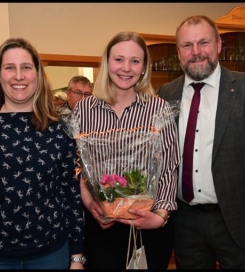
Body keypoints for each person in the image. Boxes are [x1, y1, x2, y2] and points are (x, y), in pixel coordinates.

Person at [157, 15, 245, 269]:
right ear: (178, 52)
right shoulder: (166, 94)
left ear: (219, 45)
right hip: (185, 222)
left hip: (239, 220)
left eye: (204, 43)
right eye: (187, 45)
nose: (196, 52)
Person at [0, 37, 85, 269]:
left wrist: (77, 257)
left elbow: (70, 196)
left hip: (50, 254)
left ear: (37, 75)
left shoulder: (59, 131)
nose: (18, 76)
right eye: (10, 68)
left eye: (26, 68)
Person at [72, 31, 180, 269]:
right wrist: (90, 204)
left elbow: (169, 168)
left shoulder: (159, 108)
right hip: (101, 226)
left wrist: (160, 217)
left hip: (148, 226)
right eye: (119, 59)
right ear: (107, 62)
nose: (126, 68)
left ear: (144, 67)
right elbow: (78, 168)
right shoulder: (84, 110)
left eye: (135, 61)